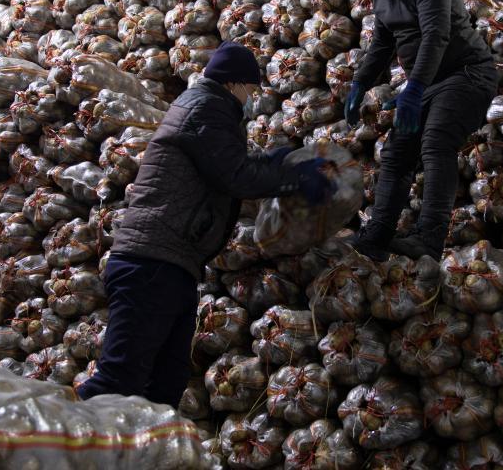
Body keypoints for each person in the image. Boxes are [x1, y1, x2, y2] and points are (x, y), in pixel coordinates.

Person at [76, 42, 333, 406]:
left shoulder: (205, 109)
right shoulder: (206, 109)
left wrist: (270, 162)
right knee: (119, 377)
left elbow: (223, 162)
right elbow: (234, 175)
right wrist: (293, 178)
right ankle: (59, 434)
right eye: (251, 89)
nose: (251, 98)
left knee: (165, 384)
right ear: (233, 83)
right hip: (152, 262)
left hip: (171, 264)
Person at [343, 0, 498, 263]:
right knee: (397, 152)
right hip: (428, 83)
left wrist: (413, 89)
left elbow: (435, 34)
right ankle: (377, 234)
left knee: (436, 140)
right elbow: (382, 42)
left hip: (466, 73)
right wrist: (359, 83)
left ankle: (429, 239)